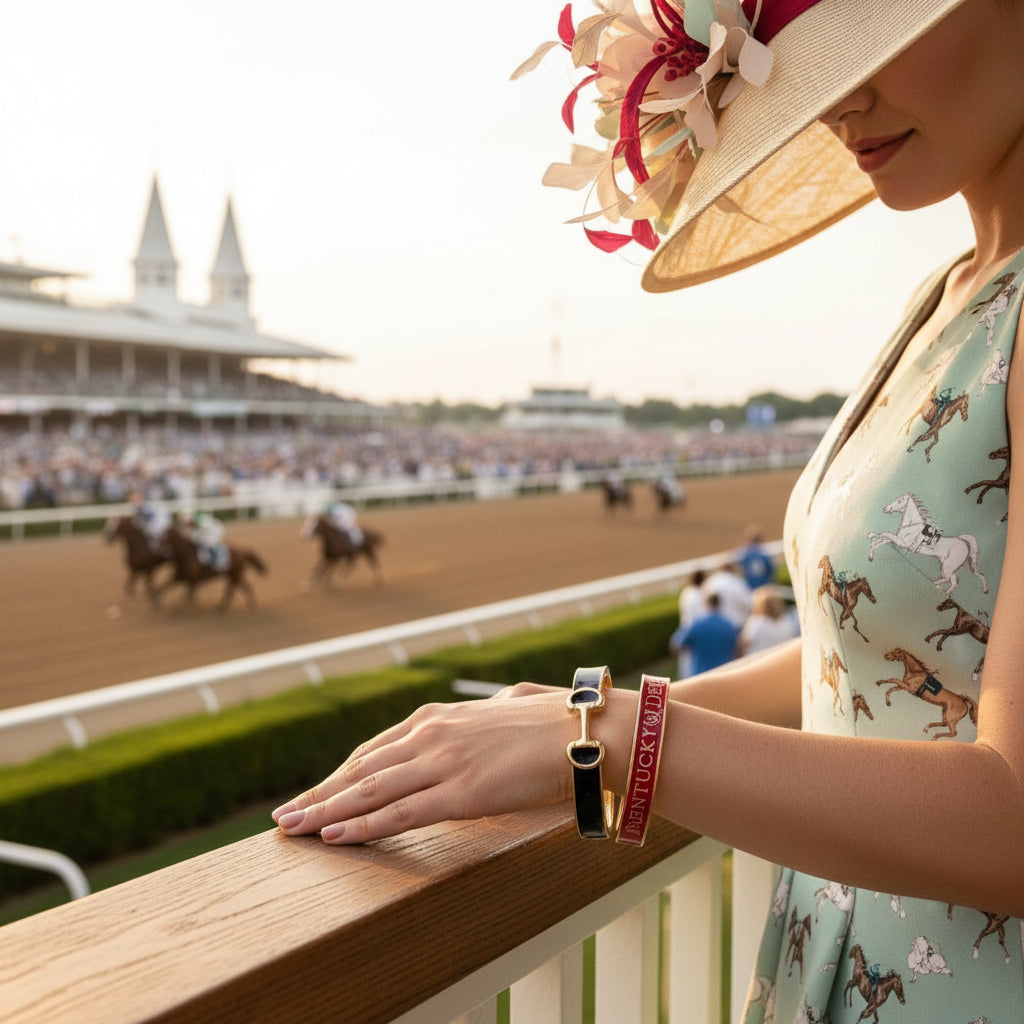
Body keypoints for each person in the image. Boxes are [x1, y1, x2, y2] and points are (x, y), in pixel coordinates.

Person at [273, 2, 1024, 1020]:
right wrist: (564, 718)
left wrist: (614, 737)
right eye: (808, 63)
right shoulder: (952, 290)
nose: (840, 99)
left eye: (880, 35)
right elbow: (860, 663)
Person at [669, 591, 740, 675]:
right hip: (725, 674)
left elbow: (675, 645)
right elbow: (737, 649)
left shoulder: (696, 624)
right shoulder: (730, 624)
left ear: (706, 604)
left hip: (702, 675)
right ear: (719, 604)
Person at [738, 585, 799, 657]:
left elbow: (744, 644)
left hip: (756, 659)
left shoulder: (756, 622)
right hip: (777, 659)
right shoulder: (785, 622)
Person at [674, 567, 708, 677]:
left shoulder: (686, 592)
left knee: (685, 665)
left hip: (685, 629)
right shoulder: (697, 595)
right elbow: (700, 617)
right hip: (694, 633)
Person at [737, 527, 775, 591]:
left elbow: (740, 571)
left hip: (749, 588)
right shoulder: (764, 554)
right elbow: (771, 571)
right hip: (764, 588)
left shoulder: (744, 555)